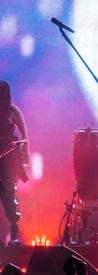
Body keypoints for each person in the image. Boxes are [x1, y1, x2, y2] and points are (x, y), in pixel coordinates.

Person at [0, 81, 30, 246]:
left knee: (9, 193)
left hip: (9, 158)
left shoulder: (12, 111)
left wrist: (26, 155)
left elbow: (25, 136)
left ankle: (14, 232)